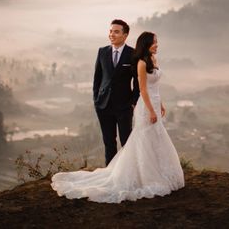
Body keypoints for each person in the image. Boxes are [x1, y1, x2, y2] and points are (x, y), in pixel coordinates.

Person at [51, 31, 184, 203]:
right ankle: (136, 175)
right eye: (154, 42)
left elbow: (154, 88)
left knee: (155, 138)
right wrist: (151, 110)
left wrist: (161, 104)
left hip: (154, 104)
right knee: (141, 139)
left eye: (157, 42)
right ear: (146, 44)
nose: (157, 45)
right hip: (146, 107)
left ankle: (156, 172)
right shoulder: (142, 63)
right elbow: (142, 89)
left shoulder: (154, 60)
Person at [94, 19, 140, 166]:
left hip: (124, 106)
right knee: (109, 142)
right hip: (104, 105)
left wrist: (133, 102)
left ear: (125, 35)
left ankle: (127, 173)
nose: (111, 34)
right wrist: (96, 100)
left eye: (116, 32)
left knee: (126, 142)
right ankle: (110, 174)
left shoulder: (133, 54)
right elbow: (97, 78)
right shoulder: (102, 52)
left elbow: (137, 81)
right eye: (110, 31)